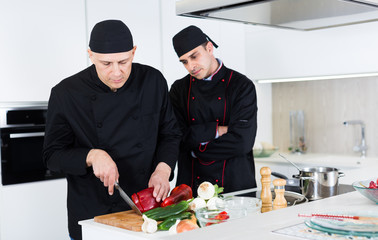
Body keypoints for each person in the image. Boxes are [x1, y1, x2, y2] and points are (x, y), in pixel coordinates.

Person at [43, 20, 181, 240]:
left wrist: (163, 170)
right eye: (106, 64)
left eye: (123, 62)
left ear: (134, 52)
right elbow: (52, 156)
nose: (116, 72)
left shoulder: (152, 81)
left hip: (147, 207)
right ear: (91, 55)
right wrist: (92, 155)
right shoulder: (65, 93)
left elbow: (170, 134)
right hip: (93, 214)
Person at [169, 25, 258, 195]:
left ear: (209, 48)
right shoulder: (179, 90)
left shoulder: (241, 86)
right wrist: (216, 130)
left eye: (194, 56)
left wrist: (196, 149)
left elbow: (242, 142)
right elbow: (176, 138)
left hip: (235, 189)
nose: (191, 66)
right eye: (184, 61)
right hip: (191, 191)